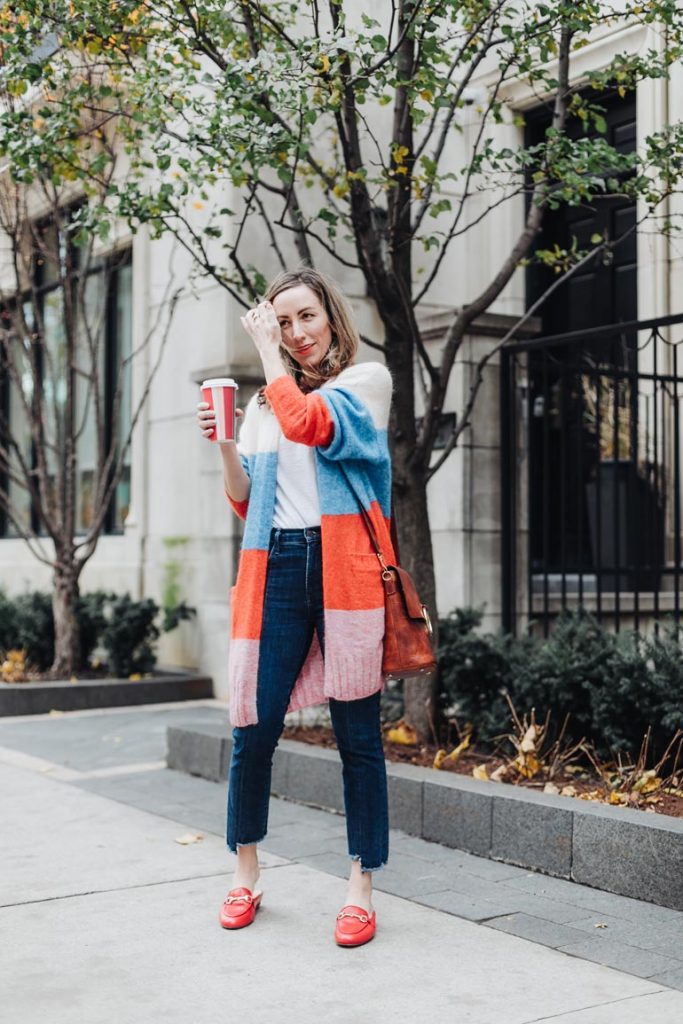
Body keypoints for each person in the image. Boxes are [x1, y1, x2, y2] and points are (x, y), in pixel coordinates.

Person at [196, 267, 394, 947]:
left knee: (357, 737)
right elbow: (247, 500)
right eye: (281, 323)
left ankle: (360, 884)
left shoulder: (363, 384)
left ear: (331, 317)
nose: (296, 333)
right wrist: (225, 440)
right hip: (275, 564)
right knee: (253, 726)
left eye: (305, 317)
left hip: (346, 569)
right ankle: (244, 872)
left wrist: (266, 358)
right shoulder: (261, 408)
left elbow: (311, 424)